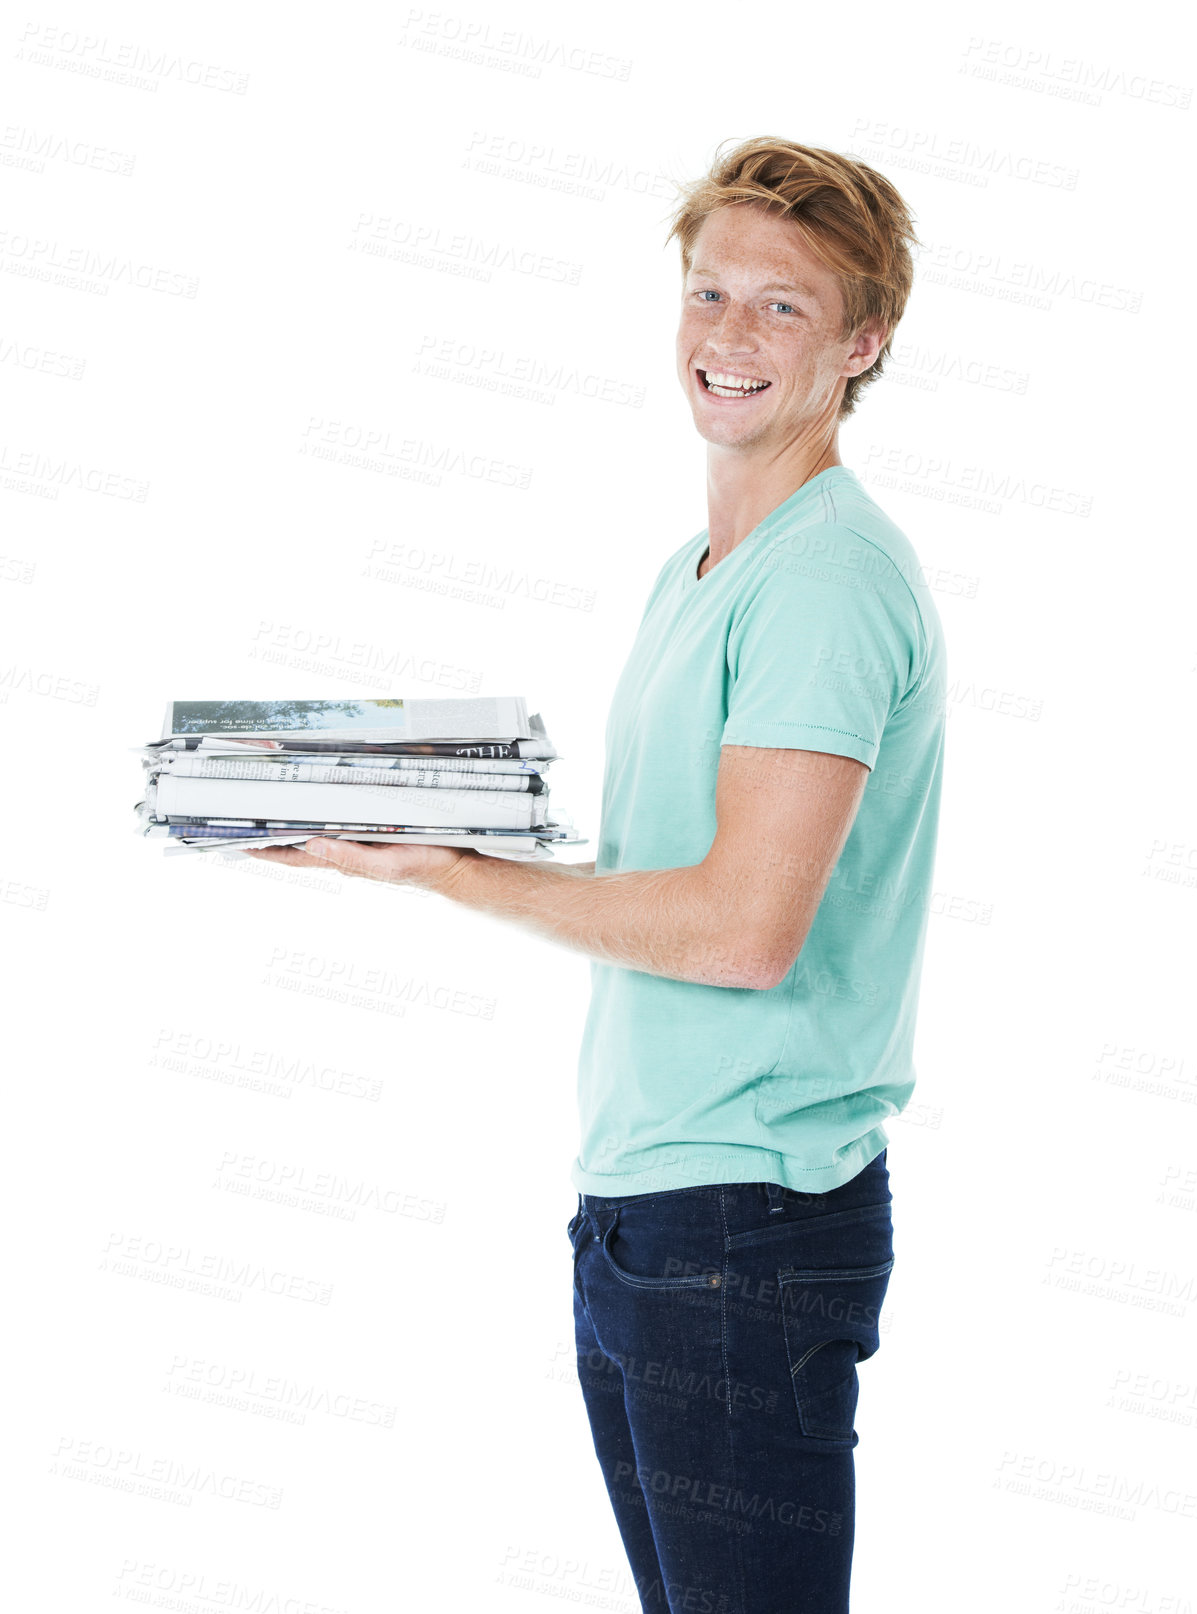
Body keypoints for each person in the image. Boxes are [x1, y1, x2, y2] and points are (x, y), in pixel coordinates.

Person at [249, 135, 946, 1614]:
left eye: (780, 307)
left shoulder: (825, 577)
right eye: (708, 293)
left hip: (740, 1226)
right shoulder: (697, 569)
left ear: (861, 342)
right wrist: (436, 818)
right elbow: (677, 879)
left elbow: (747, 929)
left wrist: (448, 872)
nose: (727, 338)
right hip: (649, 1207)